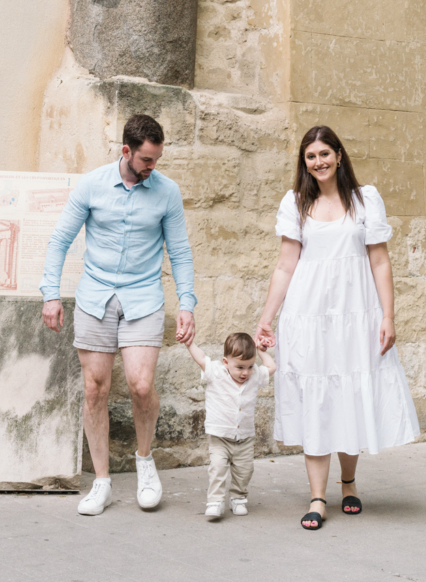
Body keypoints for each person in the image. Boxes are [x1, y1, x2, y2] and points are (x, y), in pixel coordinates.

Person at [253, 124, 419, 530]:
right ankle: (315, 497)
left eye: (324, 154)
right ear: (304, 163)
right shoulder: (294, 203)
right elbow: (285, 265)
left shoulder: (365, 201)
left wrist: (388, 315)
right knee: (316, 399)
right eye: (310, 156)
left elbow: (379, 261)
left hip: (355, 315)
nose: (318, 162)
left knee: (348, 395)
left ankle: (348, 484)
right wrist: (265, 319)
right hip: (307, 316)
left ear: (339, 156)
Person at [41, 112, 196, 516]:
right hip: (95, 298)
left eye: (157, 160)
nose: (152, 168)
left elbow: (179, 251)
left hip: (143, 298)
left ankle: (145, 462)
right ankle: (103, 482)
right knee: (95, 389)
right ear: (126, 151)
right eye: (146, 160)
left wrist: (187, 303)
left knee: (141, 386)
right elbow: (59, 241)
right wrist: (51, 295)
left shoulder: (167, 192)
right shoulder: (92, 185)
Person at [184, 331, 275, 520]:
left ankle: (238, 498)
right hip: (220, 436)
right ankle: (215, 501)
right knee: (217, 468)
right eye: (240, 367)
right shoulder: (216, 372)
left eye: (250, 366)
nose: (246, 372)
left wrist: (261, 350)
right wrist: (189, 343)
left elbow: (271, 366)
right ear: (226, 362)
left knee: (244, 470)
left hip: (245, 438)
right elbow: (201, 358)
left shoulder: (255, 375)